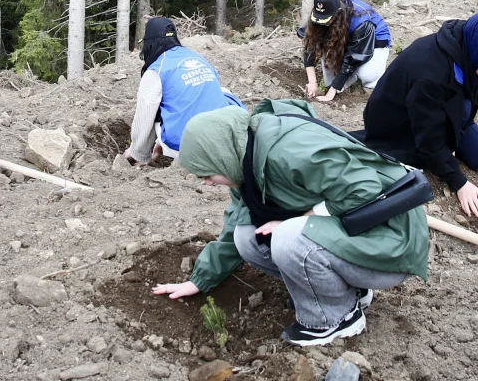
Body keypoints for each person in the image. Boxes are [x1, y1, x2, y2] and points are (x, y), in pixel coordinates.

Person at [150, 99, 429, 346]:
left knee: (288, 237)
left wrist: (300, 220)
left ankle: (335, 318)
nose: (206, 183)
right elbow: (237, 223)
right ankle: (348, 291)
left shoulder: (289, 153)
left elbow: (365, 189)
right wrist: (200, 280)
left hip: (392, 243)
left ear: (221, 157)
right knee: (248, 237)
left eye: (206, 174)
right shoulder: (246, 158)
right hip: (360, 235)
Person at [358, 10, 478, 219]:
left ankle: (448, 145)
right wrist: (459, 182)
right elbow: (428, 137)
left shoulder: (468, 47)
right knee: (427, 158)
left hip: (442, 114)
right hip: (400, 125)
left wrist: (451, 143)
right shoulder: (431, 75)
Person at [125, 17, 244, 165]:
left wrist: (138, 153)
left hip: (191, 147)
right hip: (227, 138)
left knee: (154, 110)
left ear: (149, 43)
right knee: (221, 91)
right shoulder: (197, 57)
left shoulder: (156, 70)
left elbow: (145, 116)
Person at [302, 0, 392, 103]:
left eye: (326, 20)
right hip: (345, 35)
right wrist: (312, 82)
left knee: (368, 75)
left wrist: (332, 92)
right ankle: (349, 77)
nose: (323, 23)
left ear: (338, 13)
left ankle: (365, 79)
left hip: (373, 42)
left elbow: (355, 56)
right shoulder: (322, 11)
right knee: (329, 82)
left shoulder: (362, 21)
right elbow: (311, 44)